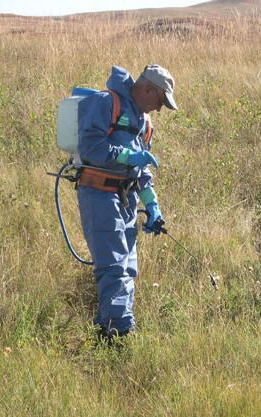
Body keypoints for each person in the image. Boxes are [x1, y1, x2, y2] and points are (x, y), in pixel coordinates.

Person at [76, 64, 177, 341]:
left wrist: (152, 205)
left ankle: (110, 327)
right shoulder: (105, 103)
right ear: (147, 89)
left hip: (127, 199)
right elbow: (90, 147)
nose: (159, 109)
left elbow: (143, 172)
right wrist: (126, 156)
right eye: (159, 101)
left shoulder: (144, 123)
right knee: (114, 267)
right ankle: (118, 335)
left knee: (127, 267)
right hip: (99, 194)